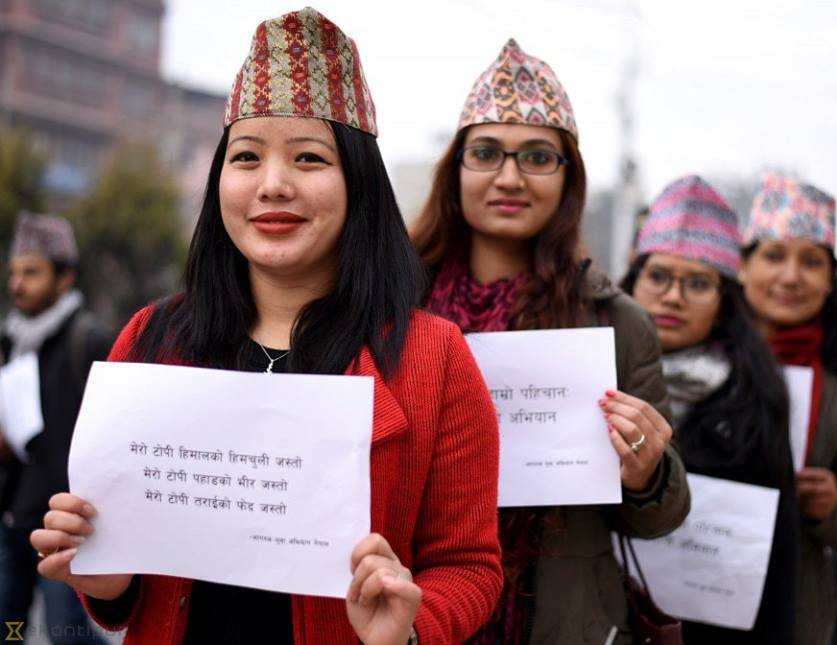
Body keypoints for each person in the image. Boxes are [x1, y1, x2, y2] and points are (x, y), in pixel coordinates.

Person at [29, 8, 503, 645]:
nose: (272, 185)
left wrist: (412, 628)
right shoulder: (149, 342)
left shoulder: (435, 358)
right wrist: (108, 579)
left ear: (358, 183)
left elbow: (468, 564)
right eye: (246, 157)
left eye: (309, 158)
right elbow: (126, 578)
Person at [410, 39, 690, 644]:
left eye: (538, 157)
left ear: (569, 180)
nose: (510, 177)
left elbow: (663, 515)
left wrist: (645, 472)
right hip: (412, 607)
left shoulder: (615, 323)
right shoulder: (392, 309)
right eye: (486, 153)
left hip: (561, 620)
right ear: (455, 168)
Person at [622, 175, 799, 644]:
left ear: (724, 303)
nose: (673, 296)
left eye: (698, 283)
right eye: (658, 276)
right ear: (632, 281)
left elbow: (775, 560)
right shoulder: (595, 379)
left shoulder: (754, 398)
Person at [739, 175, 837, 645]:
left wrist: (831, 507)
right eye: (773, 256)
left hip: (793, 615)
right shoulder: (700, 362)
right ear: (742, 268)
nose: (791, 276)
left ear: (831, 281)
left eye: (811, 262)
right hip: (682, 608)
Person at [0, 213, 112, 644]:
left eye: (31, 273)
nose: (17, 285)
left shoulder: (92, 341)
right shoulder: (10, 341)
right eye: (13, 273)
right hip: (13, 517)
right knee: (9, 629)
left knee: (69, 636)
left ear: (64, 279)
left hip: (66, 527)